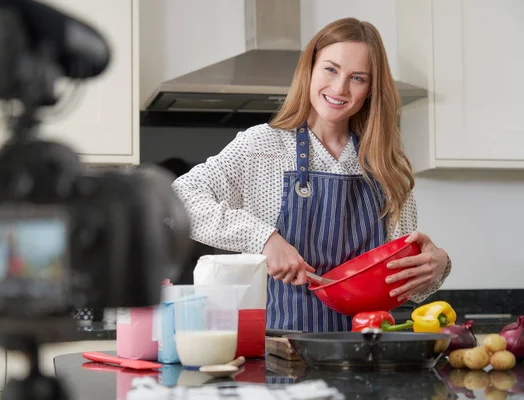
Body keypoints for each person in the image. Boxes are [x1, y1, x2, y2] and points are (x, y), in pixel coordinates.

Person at [171, 17, 452, 332]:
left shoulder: (388, 164)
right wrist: (264, 239)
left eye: (357, 78)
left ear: (371, 90)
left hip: (365, 354)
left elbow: (400, 283)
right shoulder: (261, 146)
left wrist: (437, 266)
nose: (339, 88)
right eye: (331, 69)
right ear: (310, 68)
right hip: (278, 353)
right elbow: (178, 201)